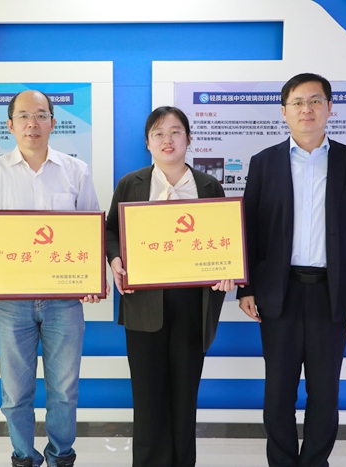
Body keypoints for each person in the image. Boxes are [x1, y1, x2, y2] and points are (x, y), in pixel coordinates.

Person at [237, 73, 346, 467]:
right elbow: (250, 229)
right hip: (278, 292)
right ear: (284, 111)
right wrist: (246, 288)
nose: (307, 109)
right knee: (278, 392)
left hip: (332, 294)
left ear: (330, 108)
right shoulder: (264, 162)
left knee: (325, 391)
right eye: (298, 102)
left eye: (315, 101)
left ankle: (316, 462)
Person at [0, 90, 106, 467]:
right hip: (10, 301)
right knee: (15, 393)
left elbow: (91, 228)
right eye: (24, 116)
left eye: (41, 115)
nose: (33, 123)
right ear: (10, 124)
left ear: (53, 123)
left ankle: (61, 456)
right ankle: (23, 456)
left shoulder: (76, 171)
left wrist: (91, 278)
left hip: (64, 301)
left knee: (64, 391)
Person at [105, 106, 235, 467]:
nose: (168, 140)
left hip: (193, 305)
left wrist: (227, 270)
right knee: (147, 398)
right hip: (144, 304)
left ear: (188, 139)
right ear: (147, 142)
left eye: (176, 132)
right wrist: (115, 260)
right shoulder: (131, 184)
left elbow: (225, 237)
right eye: (158, 133)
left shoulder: (208, 186)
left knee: (184, 395)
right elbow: (111, 230)